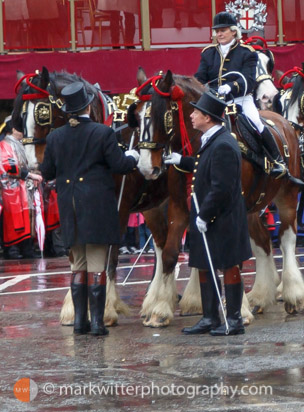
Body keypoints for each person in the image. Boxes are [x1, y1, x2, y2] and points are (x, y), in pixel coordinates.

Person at [39, 82, 141, 335]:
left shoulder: (55, 136)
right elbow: (118, 164)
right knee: (97, 265)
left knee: (78, 266)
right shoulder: (102, 133)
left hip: (69, 205)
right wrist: (133, 158)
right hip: (96, 205)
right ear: (87, 106)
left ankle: (79, 322)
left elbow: (48, 171)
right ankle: (97, 323)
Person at [164, 92, 251, 335]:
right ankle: (210, 317)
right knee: (204, 265)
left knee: (228, 266)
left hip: (221, 218)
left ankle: (233, 320)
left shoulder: (223, 143)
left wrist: (204, 216)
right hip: (209, 216)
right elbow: (206, 167)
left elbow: (221, 187)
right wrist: (184, 160)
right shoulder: (212, 139)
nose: (191, 116)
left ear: (208, 117)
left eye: (196, 113)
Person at [196, 12, 287, 178]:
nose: (219, 34)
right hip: (214, 102)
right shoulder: (208, 53)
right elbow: (200, 78)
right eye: (217, 31)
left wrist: (230, 87)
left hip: (240, 99)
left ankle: (277, 160)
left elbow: (250, 81)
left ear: (233, 31)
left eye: (223, 30)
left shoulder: (247, 52)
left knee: (256, 123)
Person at [1, 119, 39, 259]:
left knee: (25, 219)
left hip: (21, 187)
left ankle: (25, 248)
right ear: (12, 130)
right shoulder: (5, 145)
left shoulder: (18, 144)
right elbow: (9, 166)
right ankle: (12, 249)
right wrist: (29, 174)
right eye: (19, 129)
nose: (22, 133)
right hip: (10, 188)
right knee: (12, 220)